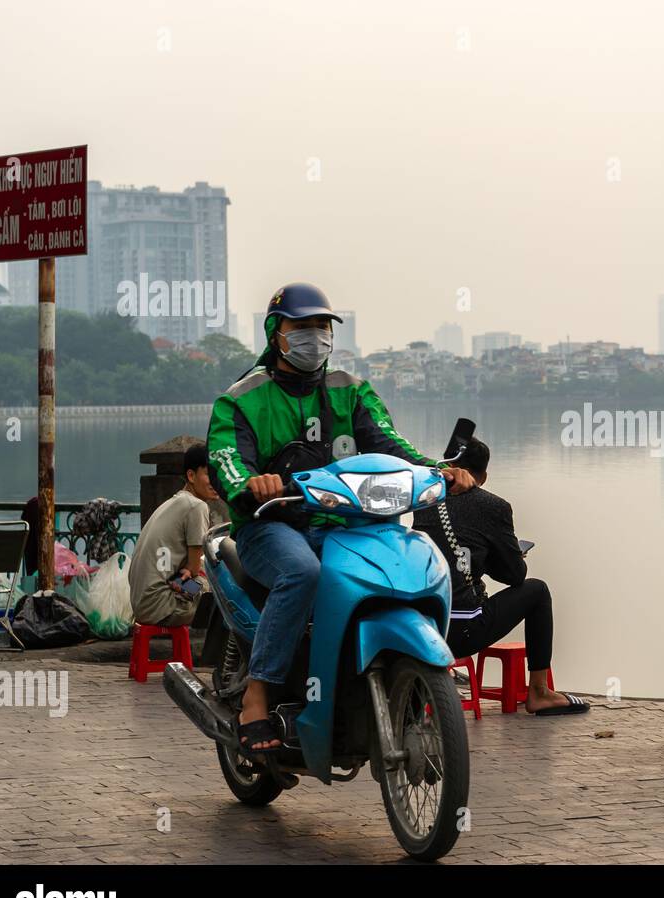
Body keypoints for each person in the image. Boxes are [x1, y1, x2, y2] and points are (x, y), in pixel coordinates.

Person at [207, 282, 475, 755]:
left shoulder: (351, 390)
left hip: (347, 522)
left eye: (322, 326)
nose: (316, 336)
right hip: (273, 525)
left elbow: (391, 445)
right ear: (276, 333)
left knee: (406, 560)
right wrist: (251, 483)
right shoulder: (242, 399)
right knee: (302, 572)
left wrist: (437, 471)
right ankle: (258, 694)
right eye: (302, 327)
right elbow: (227, 457)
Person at [412, 437, 588, 715]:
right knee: (537, 591)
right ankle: (540, 692)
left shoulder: (423, 499)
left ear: (449, 467)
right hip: (462, 632)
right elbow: (514, 577)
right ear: (483, 476)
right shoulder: (494, 506)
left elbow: (455, 555)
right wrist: (512, 555)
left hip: (420, 628)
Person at [128, 444, 220, 627]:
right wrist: (190, 572)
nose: (217, 481)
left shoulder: (175, 502)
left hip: (141, 605)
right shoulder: (196, 506)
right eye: (209, 474)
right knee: (220, 591)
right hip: (162, 606)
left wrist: (186, 573)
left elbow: (188, 570)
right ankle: (219, 655)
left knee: (201, 581)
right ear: (191, 476)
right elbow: (194, 569)